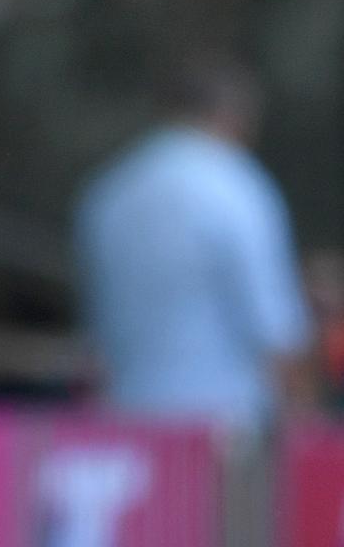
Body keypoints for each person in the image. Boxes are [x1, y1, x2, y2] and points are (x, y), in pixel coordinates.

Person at [73, 52, 315, 547]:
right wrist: (307, 421)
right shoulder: (237, 186)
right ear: (234, 116)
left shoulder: (109, 189)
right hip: (224, 440)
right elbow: (275, 331)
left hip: (124, 431)